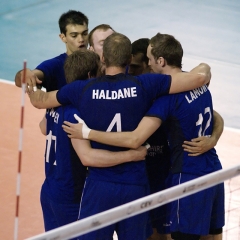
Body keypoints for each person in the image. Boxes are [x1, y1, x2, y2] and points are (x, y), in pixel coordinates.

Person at [28, 32, 211, 240]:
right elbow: (199, 78)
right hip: (135, 185)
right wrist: (205, 67)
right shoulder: (146, 84)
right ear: (129, 59)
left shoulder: (81, 89)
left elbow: (39, 100)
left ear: (103, 59)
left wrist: (29, 80)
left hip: (99, 186)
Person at [39, 49, 148, 232]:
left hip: (50, 189)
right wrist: (132, 155)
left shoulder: (55, 105)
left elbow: (43, 128)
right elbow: (87, 157)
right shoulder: (76, 112)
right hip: (70, 195)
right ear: (91, 75)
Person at [14, 10, 89, 93]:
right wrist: (24, 74)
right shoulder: (55, 65)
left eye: (85, 34)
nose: (81, 39)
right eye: (74, 36)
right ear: (63, 37)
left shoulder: (98, 61)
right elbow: (20, 81)